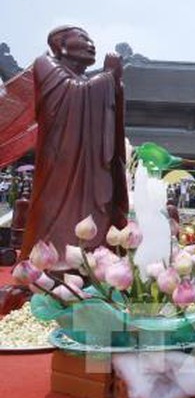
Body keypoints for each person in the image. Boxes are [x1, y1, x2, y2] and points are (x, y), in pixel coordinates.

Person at [20, 26, 128, 260]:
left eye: (91, 40)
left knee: (93, 219)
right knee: (56, 217)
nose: (91, 44)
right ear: (60, 45)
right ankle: (53, 266)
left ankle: (92, 264)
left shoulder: (85, 80)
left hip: (90, 172)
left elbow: (90, 93)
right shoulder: (46, 65)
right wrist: (108, 76)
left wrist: (115, 86)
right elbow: (75, 95)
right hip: (61, 166)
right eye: (83, 38)